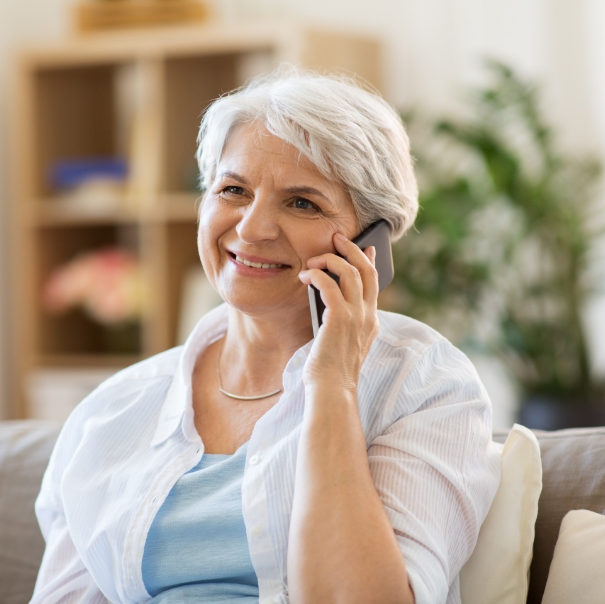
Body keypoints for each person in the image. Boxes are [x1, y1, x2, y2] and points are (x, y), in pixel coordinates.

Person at [30, 69, 501, 604]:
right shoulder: (111, 411)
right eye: (233, 190)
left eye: (302, 203)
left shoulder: (422, 385)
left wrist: (332, 385)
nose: (252, 229)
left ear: (371, 243)